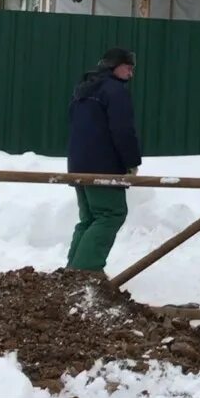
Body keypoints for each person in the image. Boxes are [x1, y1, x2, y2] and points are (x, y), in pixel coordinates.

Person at [66, 47, 142, 274]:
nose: (131, 74)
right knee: (111, 214)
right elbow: (123, 130)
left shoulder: (83, 90)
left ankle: (72, 270)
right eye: (128, 68)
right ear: (114, 66)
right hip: (103, 167)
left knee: (89, 218)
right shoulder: (115, 92)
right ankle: (84, 272)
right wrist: (131, 162)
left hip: (78, 165)